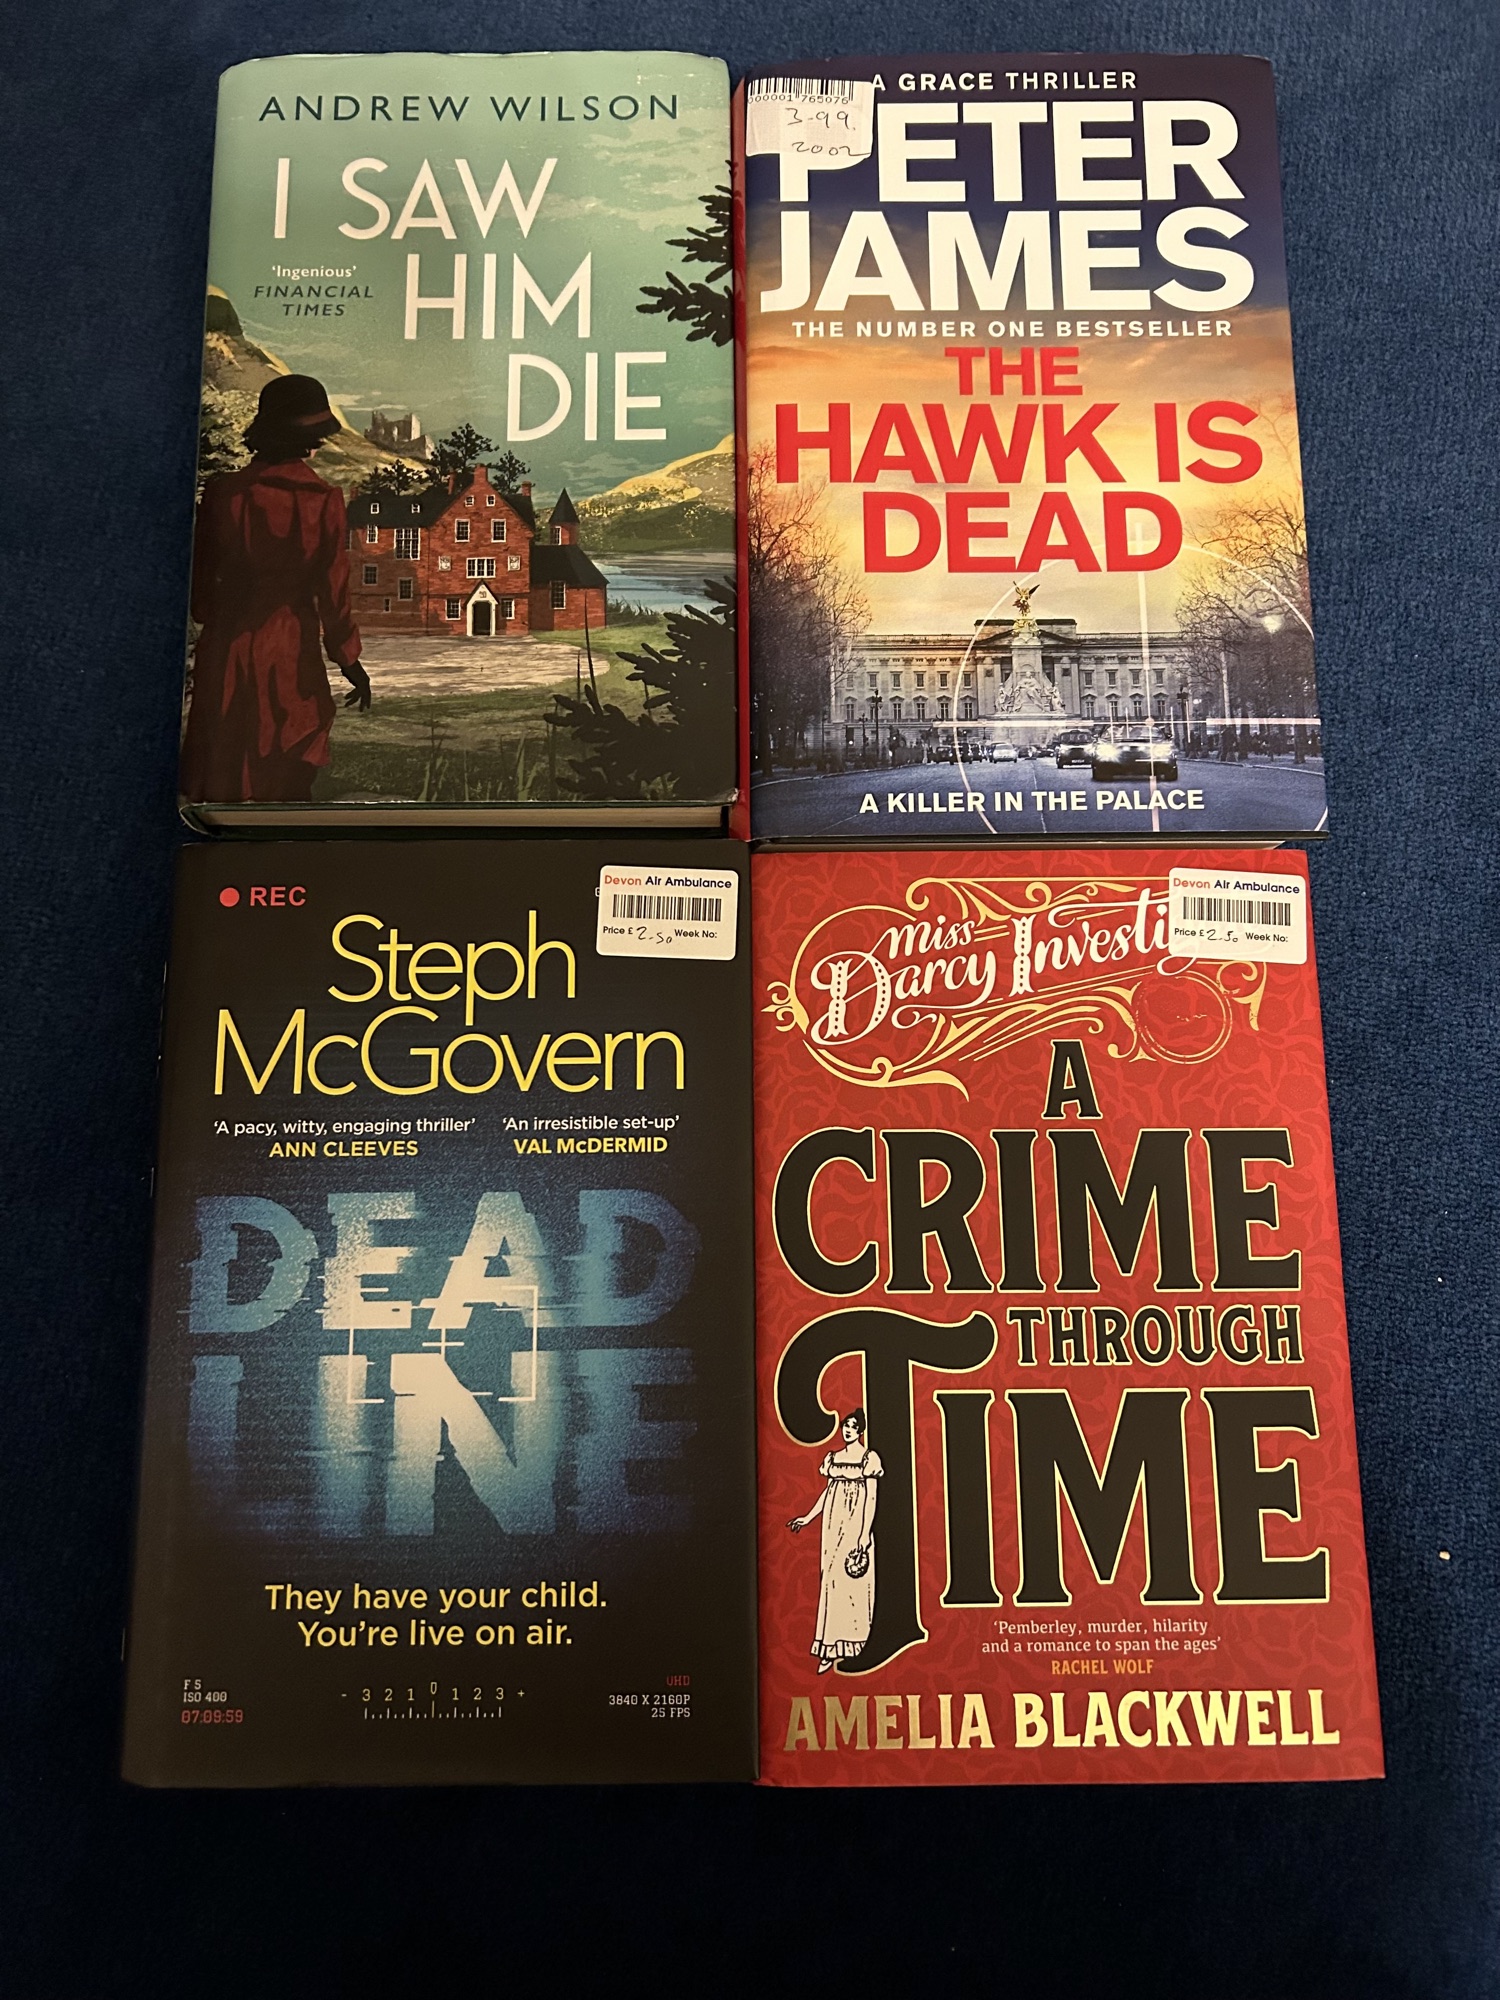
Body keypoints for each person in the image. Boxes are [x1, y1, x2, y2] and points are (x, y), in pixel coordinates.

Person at [180, 373, 371, 803]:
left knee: (225, 759)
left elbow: (201, 596)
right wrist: (350, 662)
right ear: (309, 438)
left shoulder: (222, 494)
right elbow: (333, 595)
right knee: (286, 765)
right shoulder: (323, 500)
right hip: (290, 648)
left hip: (227, 644)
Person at [788, 1409, 882, 1672]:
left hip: (855, 1526)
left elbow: (871, 1498)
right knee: (830, 1581)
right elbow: (828, 1493)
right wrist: (807, 1518)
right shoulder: (834, 1458)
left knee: (853, 1583)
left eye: (852, 1426)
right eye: (845, 1426)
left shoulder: (868, 1458)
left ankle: (858, 1644)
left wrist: (864, 1533)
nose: (847, 1430)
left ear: (860, 1430)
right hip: (832, 1524)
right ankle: (829, 1648)